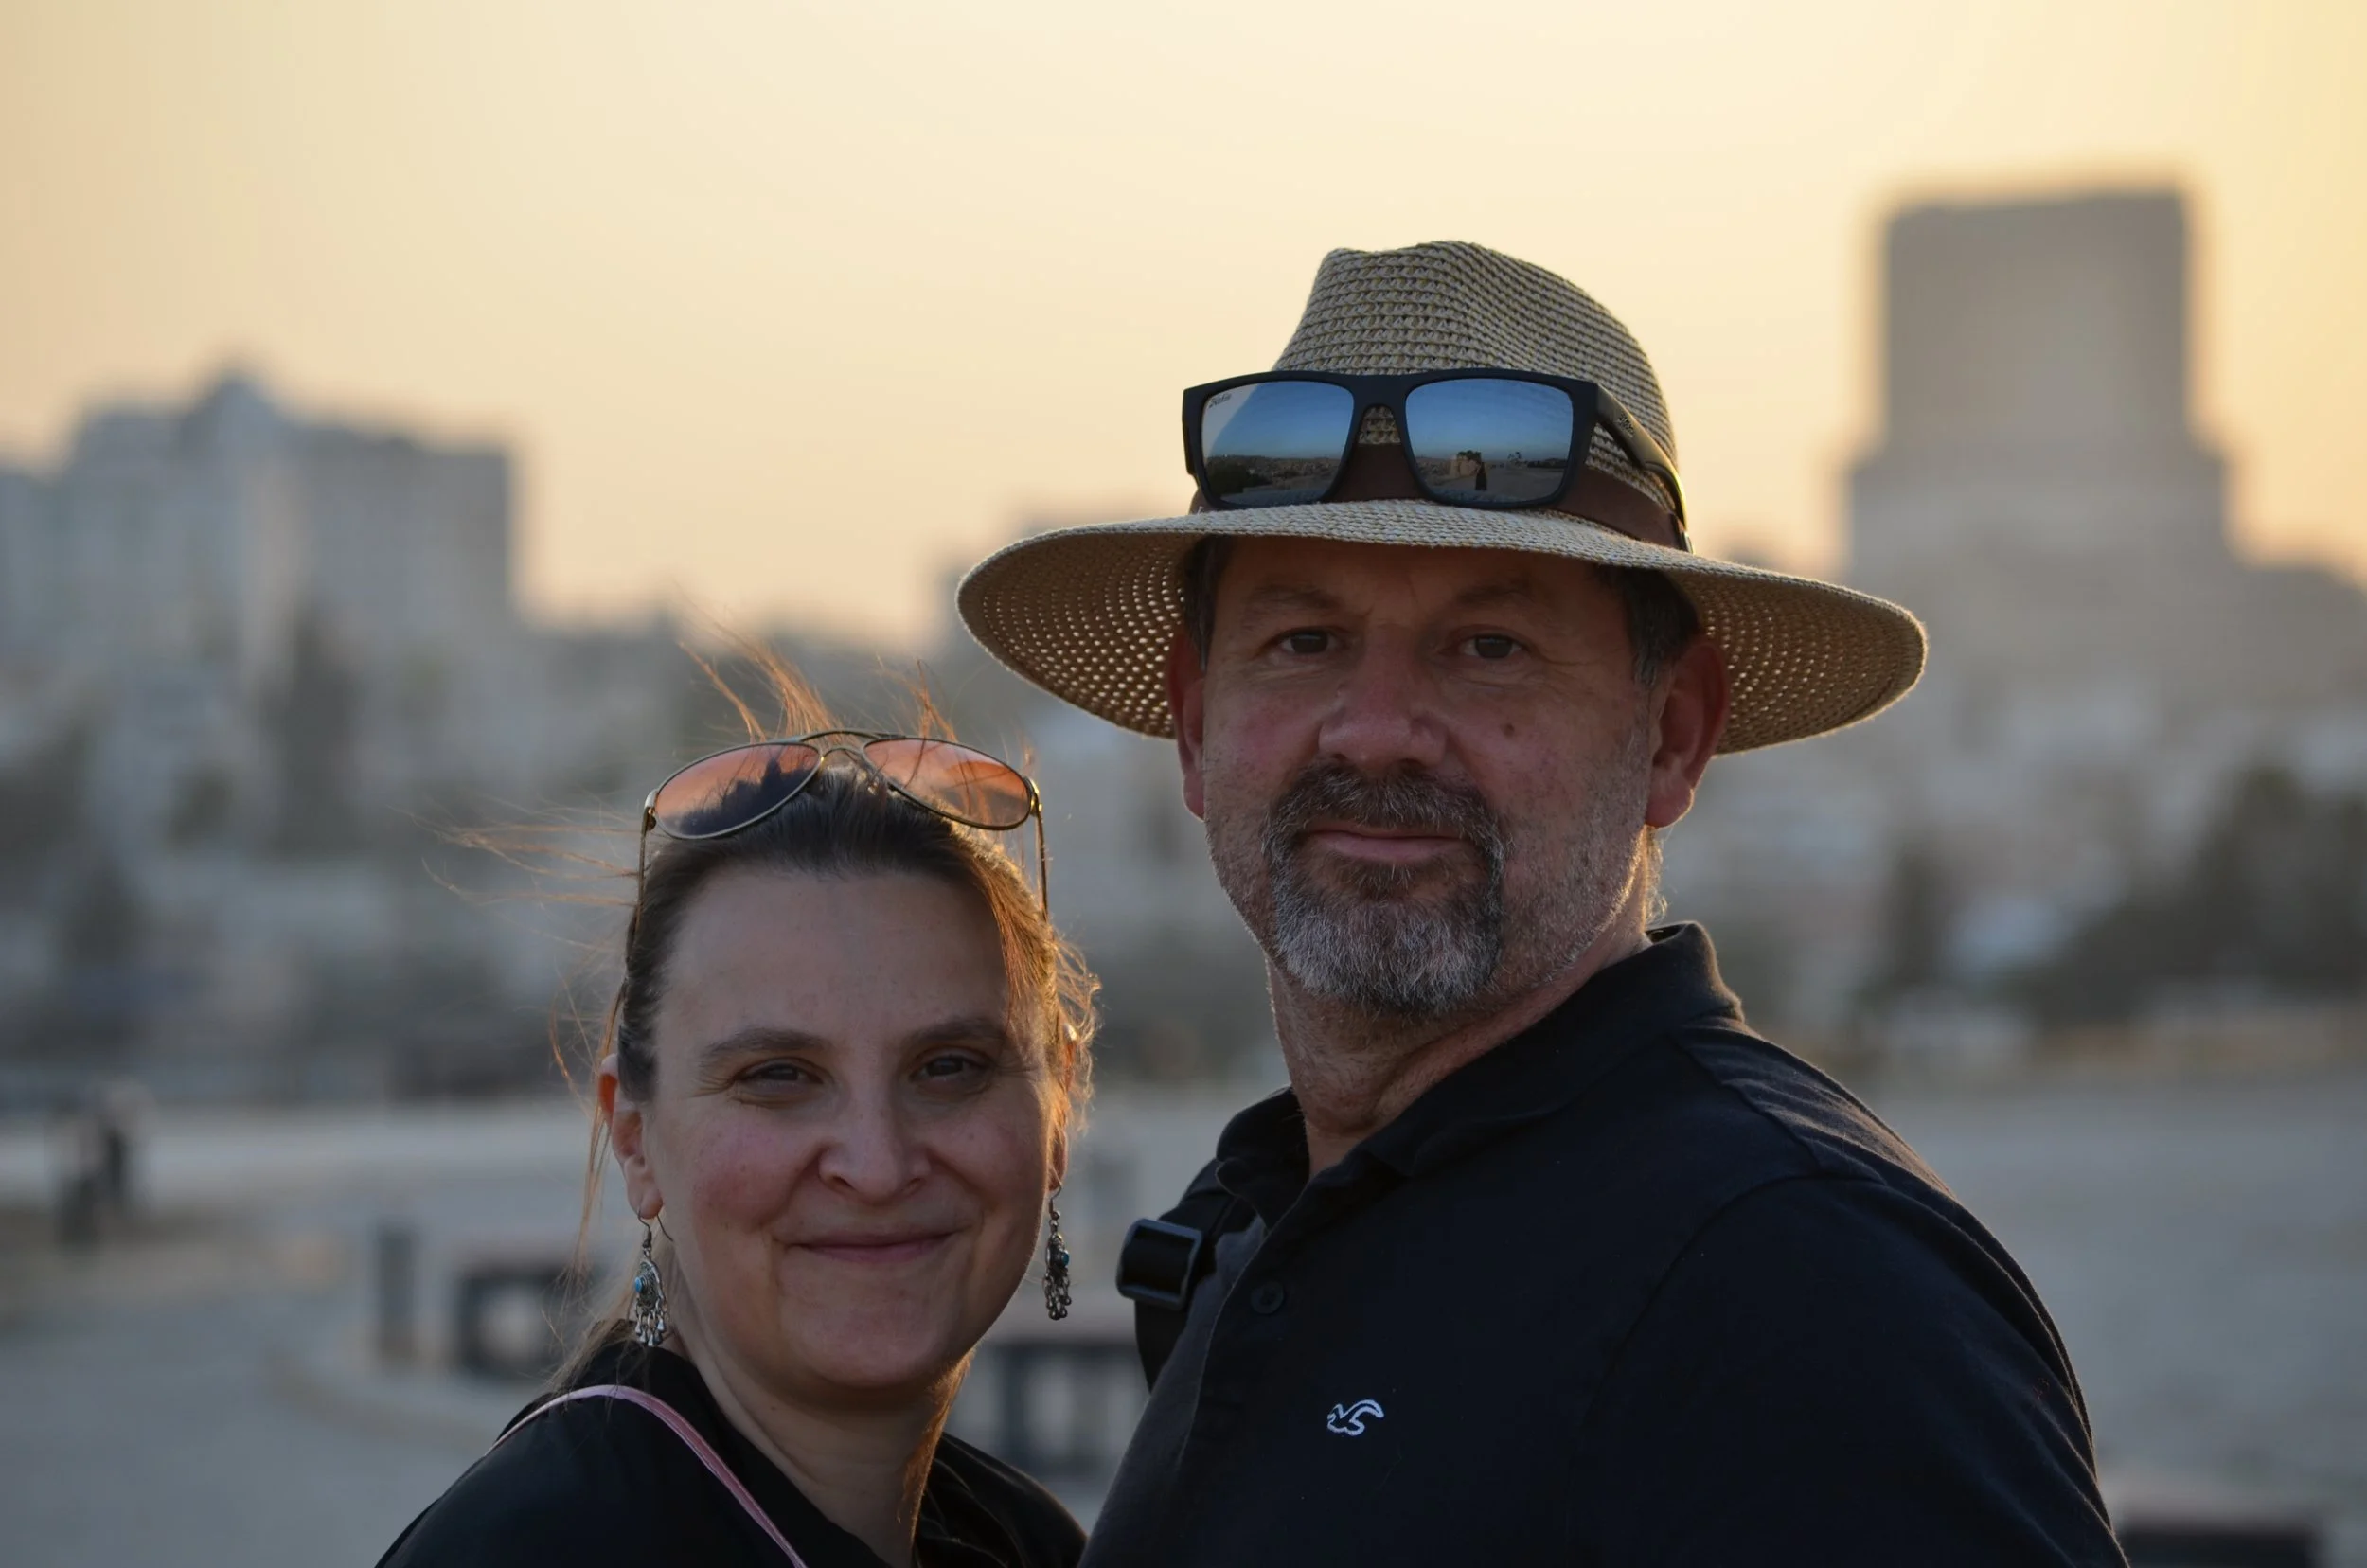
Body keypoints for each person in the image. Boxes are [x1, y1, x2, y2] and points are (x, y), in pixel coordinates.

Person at [958, 241, 2127, 1564]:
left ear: (1672, 737)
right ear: (1193, 723)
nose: (1380, 731)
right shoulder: (1265, 1234)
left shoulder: (1806, 1286)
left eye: (1489, 648)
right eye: (1305, 641)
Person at [379, 678, 1092, 1568]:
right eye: (779, 1076)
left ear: (1060, 1105)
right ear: (634, 1139)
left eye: (948, 1068)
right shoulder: (538, 1547)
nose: (876, 1164)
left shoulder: (1030, 1544)